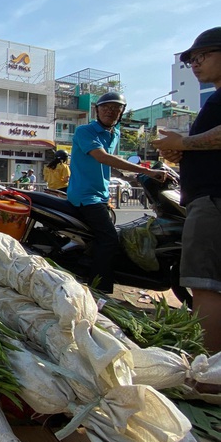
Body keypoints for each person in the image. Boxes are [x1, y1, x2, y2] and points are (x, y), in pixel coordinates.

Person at [153, 26, 221, 353]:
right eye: (192, 59)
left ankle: (206, 369)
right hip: (206, 198)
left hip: (213, 201)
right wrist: (181, 151)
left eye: (203, 56)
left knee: (205, 285)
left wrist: (185, 143)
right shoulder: (215, 100)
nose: (195, 64)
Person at [68, 91, 166, 293]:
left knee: (100, 239)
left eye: (116, 108)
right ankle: (99, 291)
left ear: (121, 112)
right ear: (97, 110)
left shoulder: (115, 133)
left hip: (101, 195)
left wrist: (130, 176)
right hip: (86, 195)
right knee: (109, 239)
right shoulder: (85, 131)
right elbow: (101, 157)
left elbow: (106, 164)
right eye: (105, 107)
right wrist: (147, 170)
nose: (110, 112)